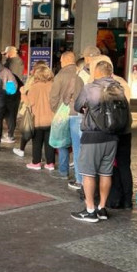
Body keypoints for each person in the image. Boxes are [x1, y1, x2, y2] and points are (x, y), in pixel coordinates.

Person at [71, 61, 125, 223]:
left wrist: (86, 109)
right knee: (106, 173)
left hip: (92, 136)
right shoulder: (119, 88)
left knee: (87, 173)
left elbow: (77, 105)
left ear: (97, 72)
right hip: (112, 136)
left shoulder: (90, 88)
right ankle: (102, 208)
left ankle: (90, 210)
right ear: (110, 73)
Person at [50, 51, 85, 182]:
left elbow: (54, 96)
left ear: (64, 60)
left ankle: (63, 171)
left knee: (62, 142)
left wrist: (55, 110)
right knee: (78, 146)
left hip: (63, 114)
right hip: (79, 113)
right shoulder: (81, 74)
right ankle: (78, 175)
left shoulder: (60, 75)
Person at [15, 65, 55, 171]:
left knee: (37, 142)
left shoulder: (34, 87)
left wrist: (23, 93)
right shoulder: (53, 85)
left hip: (37, 120)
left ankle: (36, 163)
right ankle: (50, 164)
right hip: (51, 120)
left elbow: (29, 102)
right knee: (49, 142)